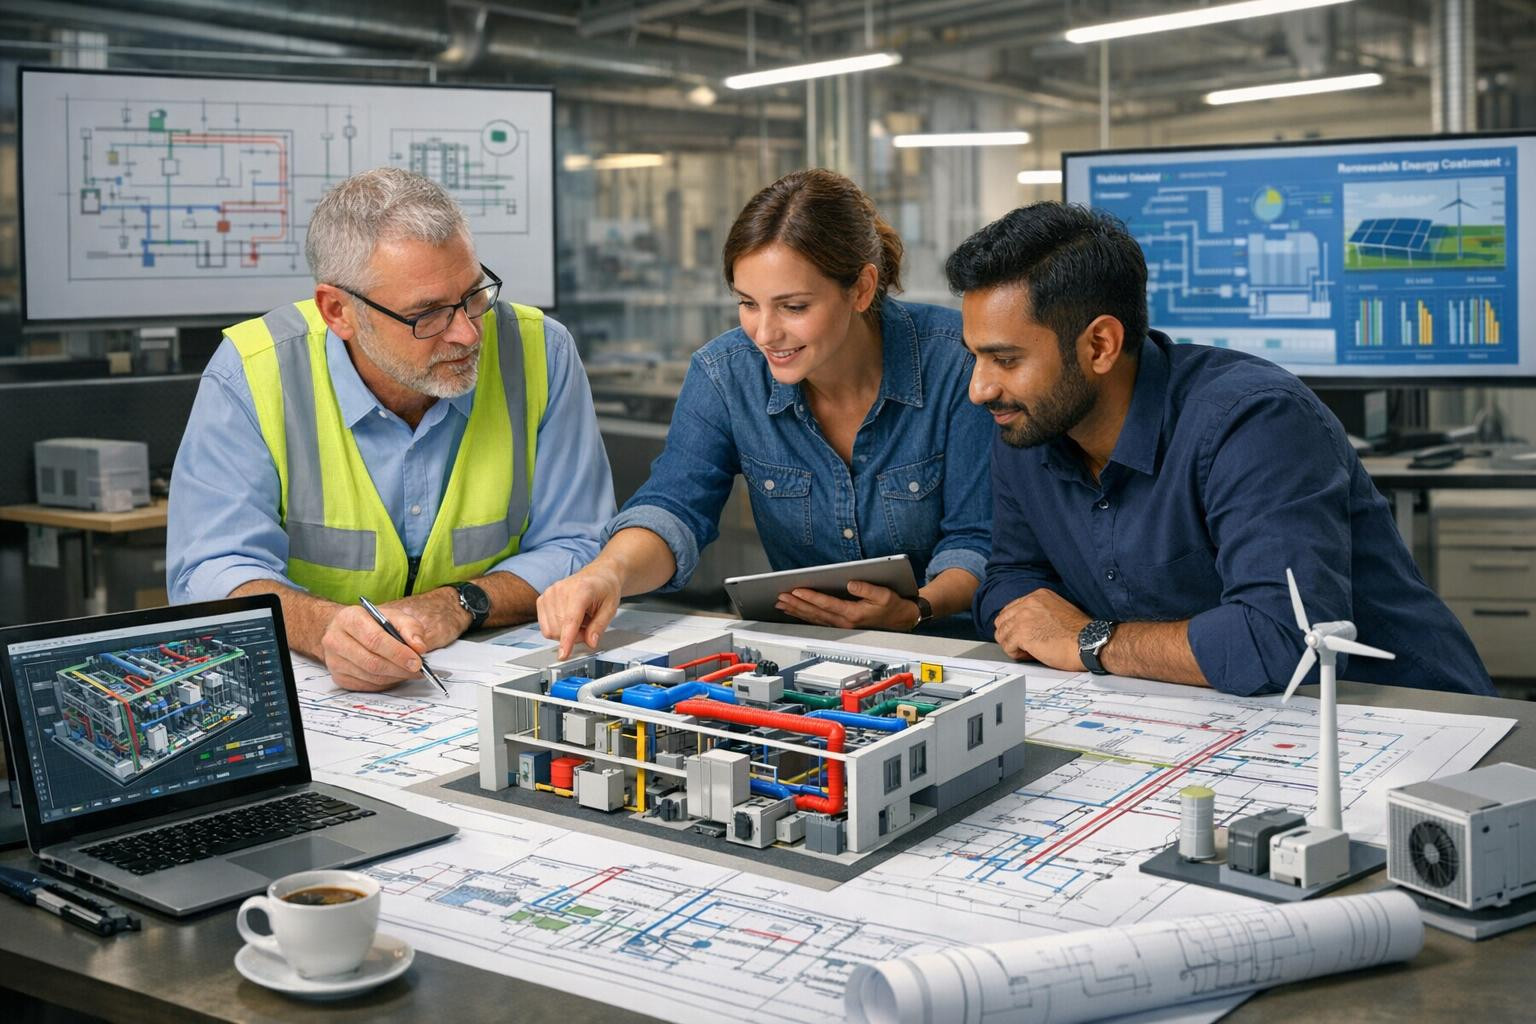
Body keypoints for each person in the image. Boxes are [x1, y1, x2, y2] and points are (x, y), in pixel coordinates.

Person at [947, 202, 1494, 697]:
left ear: (1100, 345)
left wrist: (1089, 641)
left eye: (1006, 359)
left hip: (1399, 722)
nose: (980, 388)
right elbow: (1011, 583)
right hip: (1207, 719)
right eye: (976, 357)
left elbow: (1284, 638)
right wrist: (1051, 626)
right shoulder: (1028, 428)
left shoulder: (1255, 421)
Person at [167, 167, 614, 692]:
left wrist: (457, 604)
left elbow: (580, 543)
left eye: (473, 295)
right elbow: (210, 570)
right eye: (427, 314)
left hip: (487, 678)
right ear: (339, 311)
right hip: (317, 691)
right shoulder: (255, 371)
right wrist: (328, 628)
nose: (467, 333)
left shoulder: (540, 351)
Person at [537, 169, 992, 658]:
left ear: (861, 288)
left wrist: (916, 609)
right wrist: (608, 572)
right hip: (807, 653)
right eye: (748, 304)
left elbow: (977, 539)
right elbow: (675, 506)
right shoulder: (724, 373)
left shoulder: (957, 362)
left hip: (951, 647)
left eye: (793, 306)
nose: (765, 333)